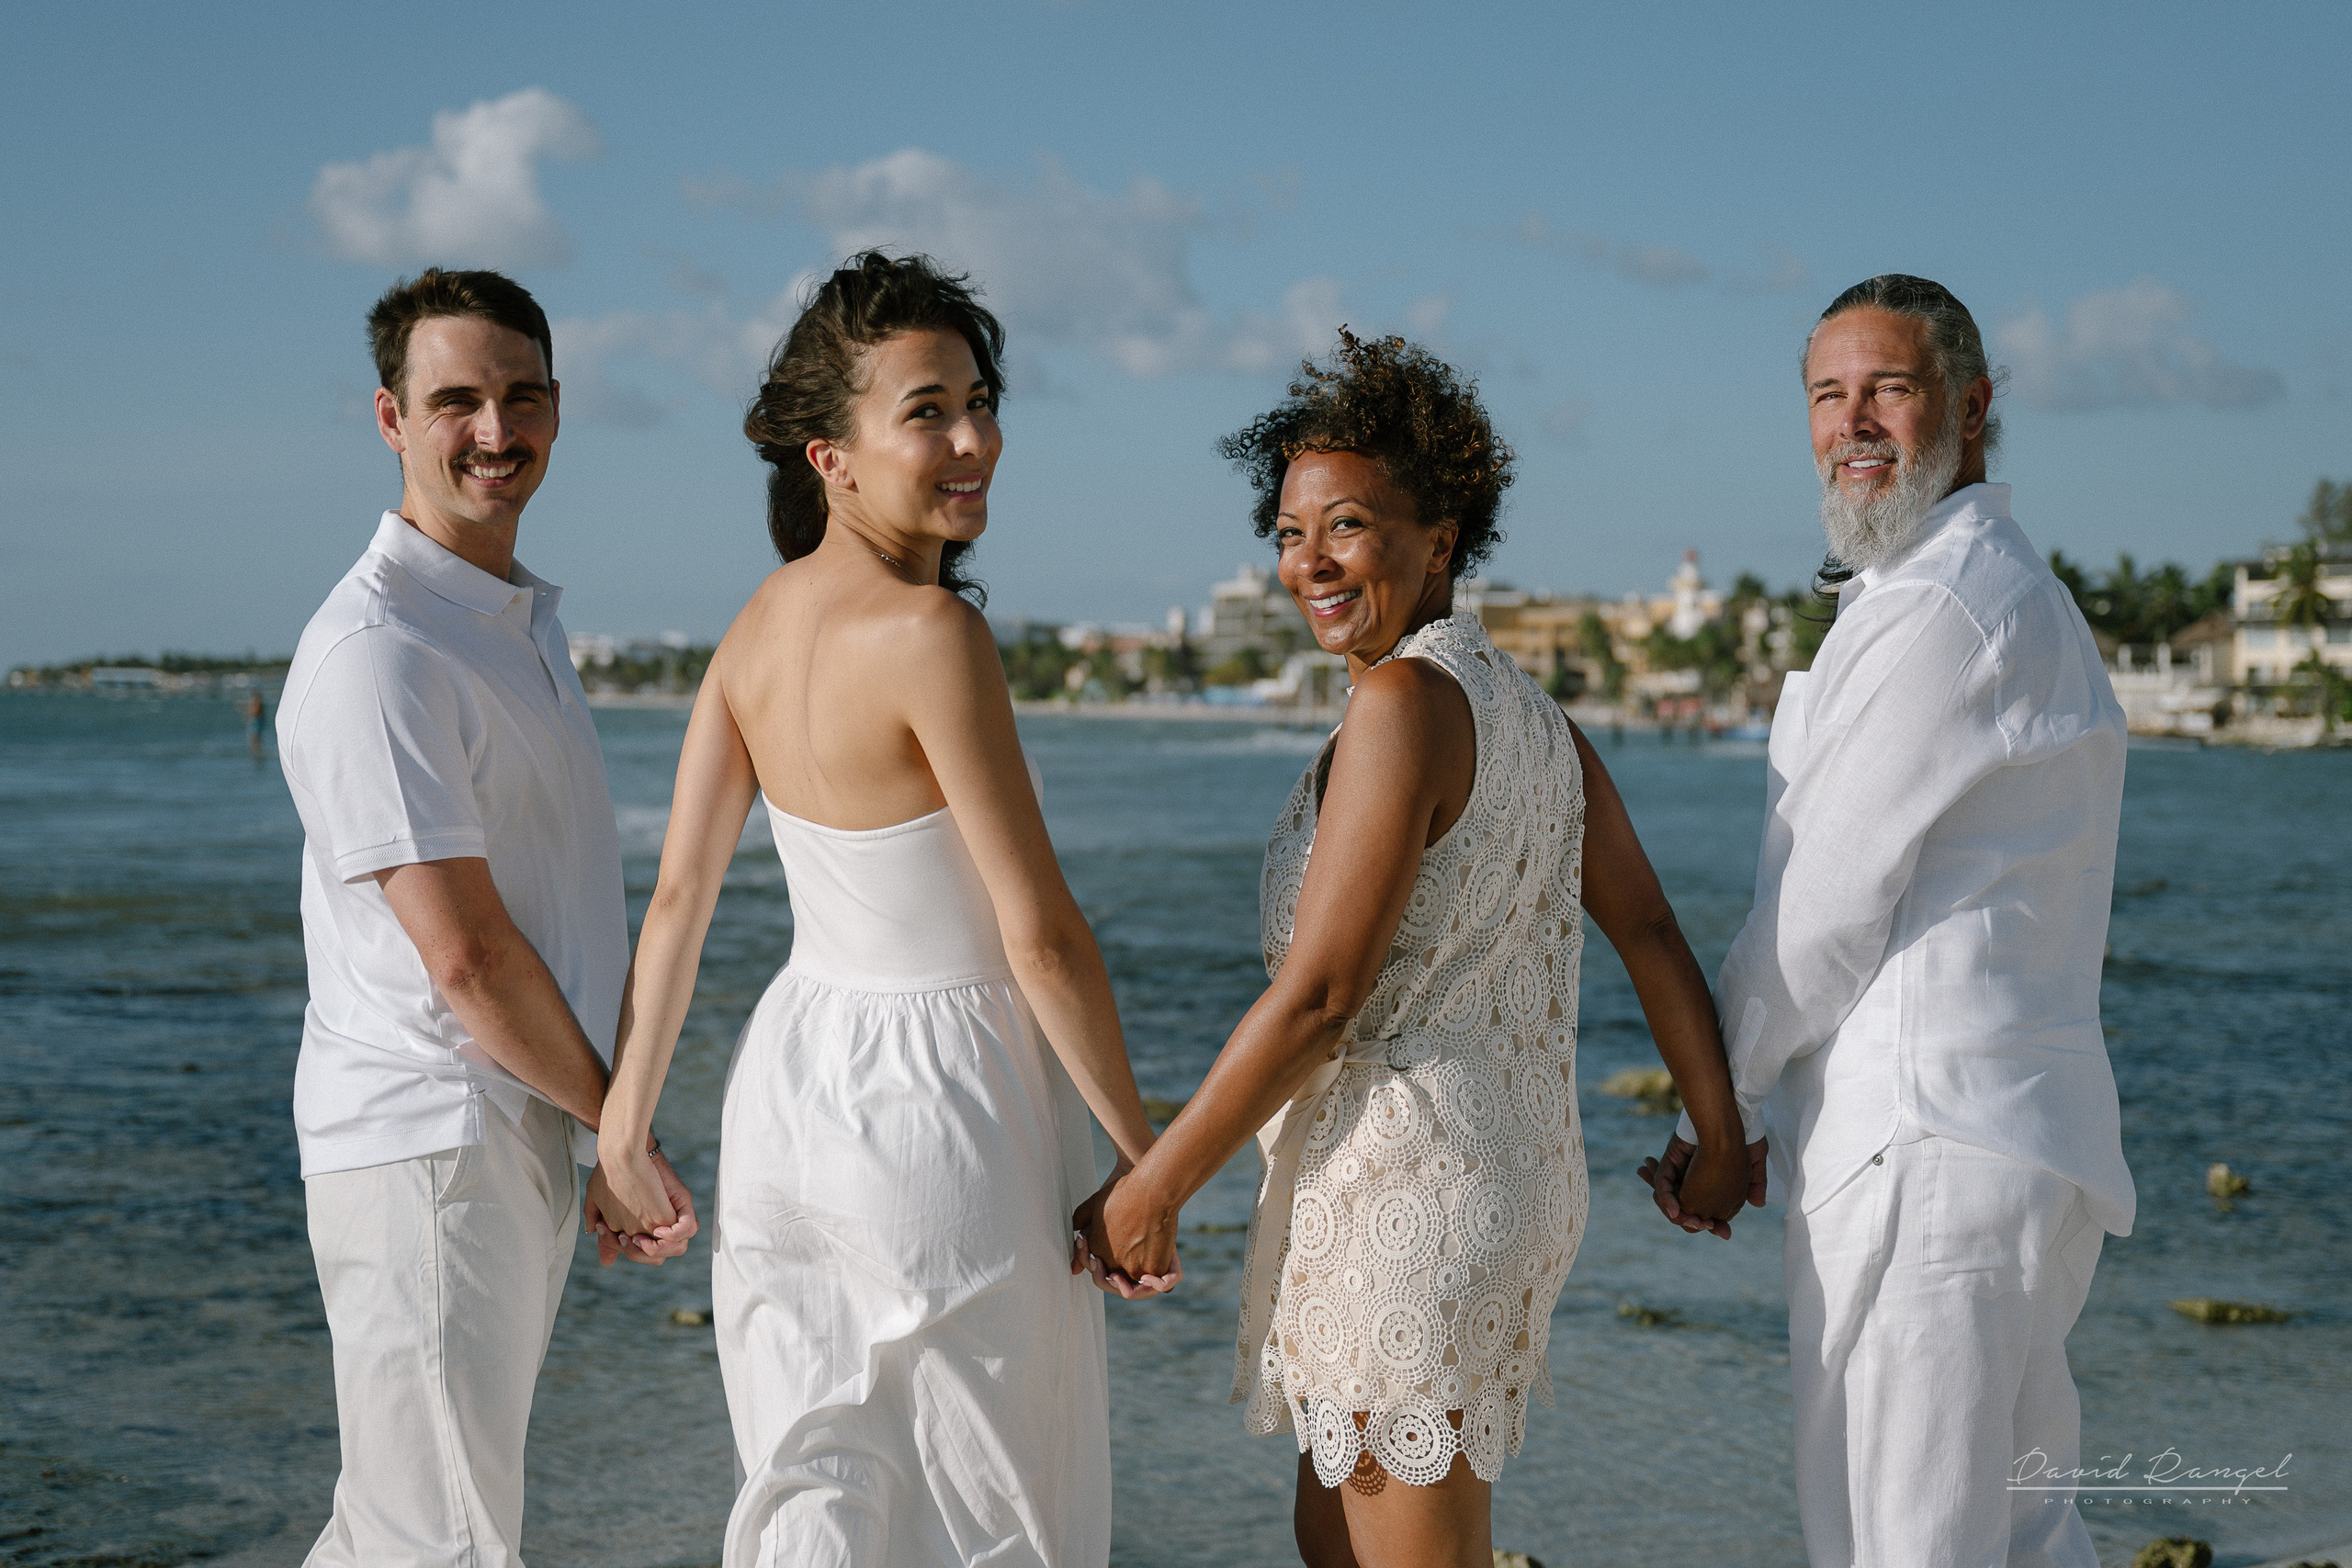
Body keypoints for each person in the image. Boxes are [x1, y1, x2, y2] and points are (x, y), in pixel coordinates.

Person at [1088, 332, 1758, 1568]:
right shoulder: (1534, 717)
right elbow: (1652, 930)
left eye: (1347, 526)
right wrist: (1716, 1140)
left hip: (1410, 1193)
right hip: (1500, 1178)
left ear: (1441, 535)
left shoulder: (1401, 706)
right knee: (1338, 1537)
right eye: (1290, 534)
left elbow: (1322, 998)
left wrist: (1154, 1186)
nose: (1310, 562)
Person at [587, 252, 1167, 1568]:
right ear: (828, 456)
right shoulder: (930, 636)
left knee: (811, 1487)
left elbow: (677, 898)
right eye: (925, 411)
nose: (973, 440)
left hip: (792, 1090)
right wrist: (1147, 1159)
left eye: (978, 399)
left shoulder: (752, 627)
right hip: (945, 1099)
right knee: (989, 1502)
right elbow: (1042, 934)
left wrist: (625, 1134)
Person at [1643, 275, 2133, 1568]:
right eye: (1827, 394)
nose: (1853, 422)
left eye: (1889, 390)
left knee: (1903, 1542)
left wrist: (1714, 1118)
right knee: (2018, 1539)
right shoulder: (1974, 590)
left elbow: (1819, 914)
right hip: (2000, 1147)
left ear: (1970, 409)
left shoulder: (1948, 607)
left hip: (1931, 1158)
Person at [277, 267, 695, 1567]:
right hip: (430, 1140)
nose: (494, 430)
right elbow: (463, 955)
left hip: (492, 1132)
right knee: (442, 1542)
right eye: (455, 399)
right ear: (392, 421)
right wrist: (616, 1133)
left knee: (399, 1532)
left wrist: (594, 1134)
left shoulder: (510, 624)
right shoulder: (380, 650)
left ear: (561, 412)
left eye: (520, 397)